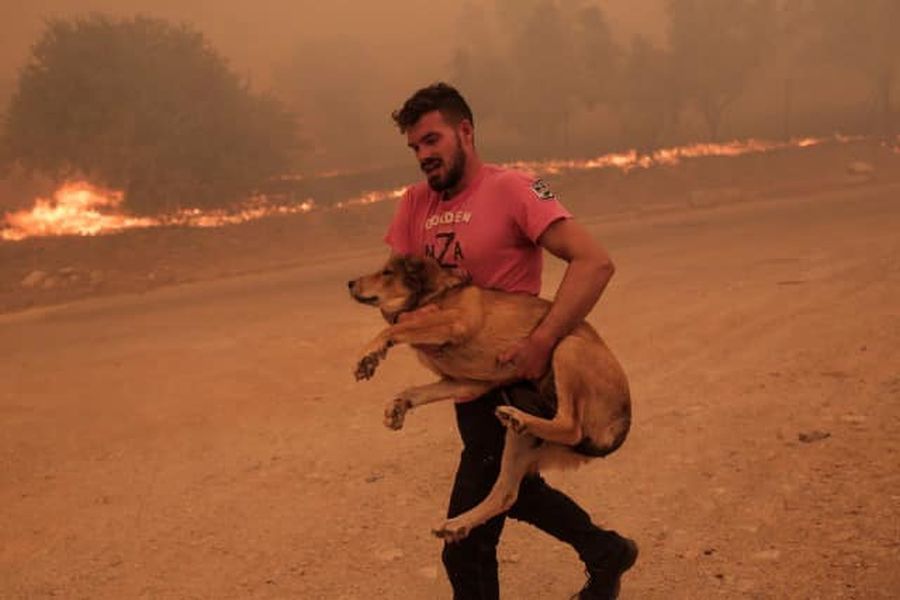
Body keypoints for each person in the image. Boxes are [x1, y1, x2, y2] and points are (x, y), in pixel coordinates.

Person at [384, 82, 637, 600]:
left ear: (466, 131)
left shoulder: (517, 189)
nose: (424, 156)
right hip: (463, 384)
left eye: (432, 140)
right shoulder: (413, 204)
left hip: (513, 379)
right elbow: (399, 288)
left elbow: (595, 262)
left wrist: (543, 342)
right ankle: (606, 551)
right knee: (516, 491)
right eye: (415, 148)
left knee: (465, 546)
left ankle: (606, 551)